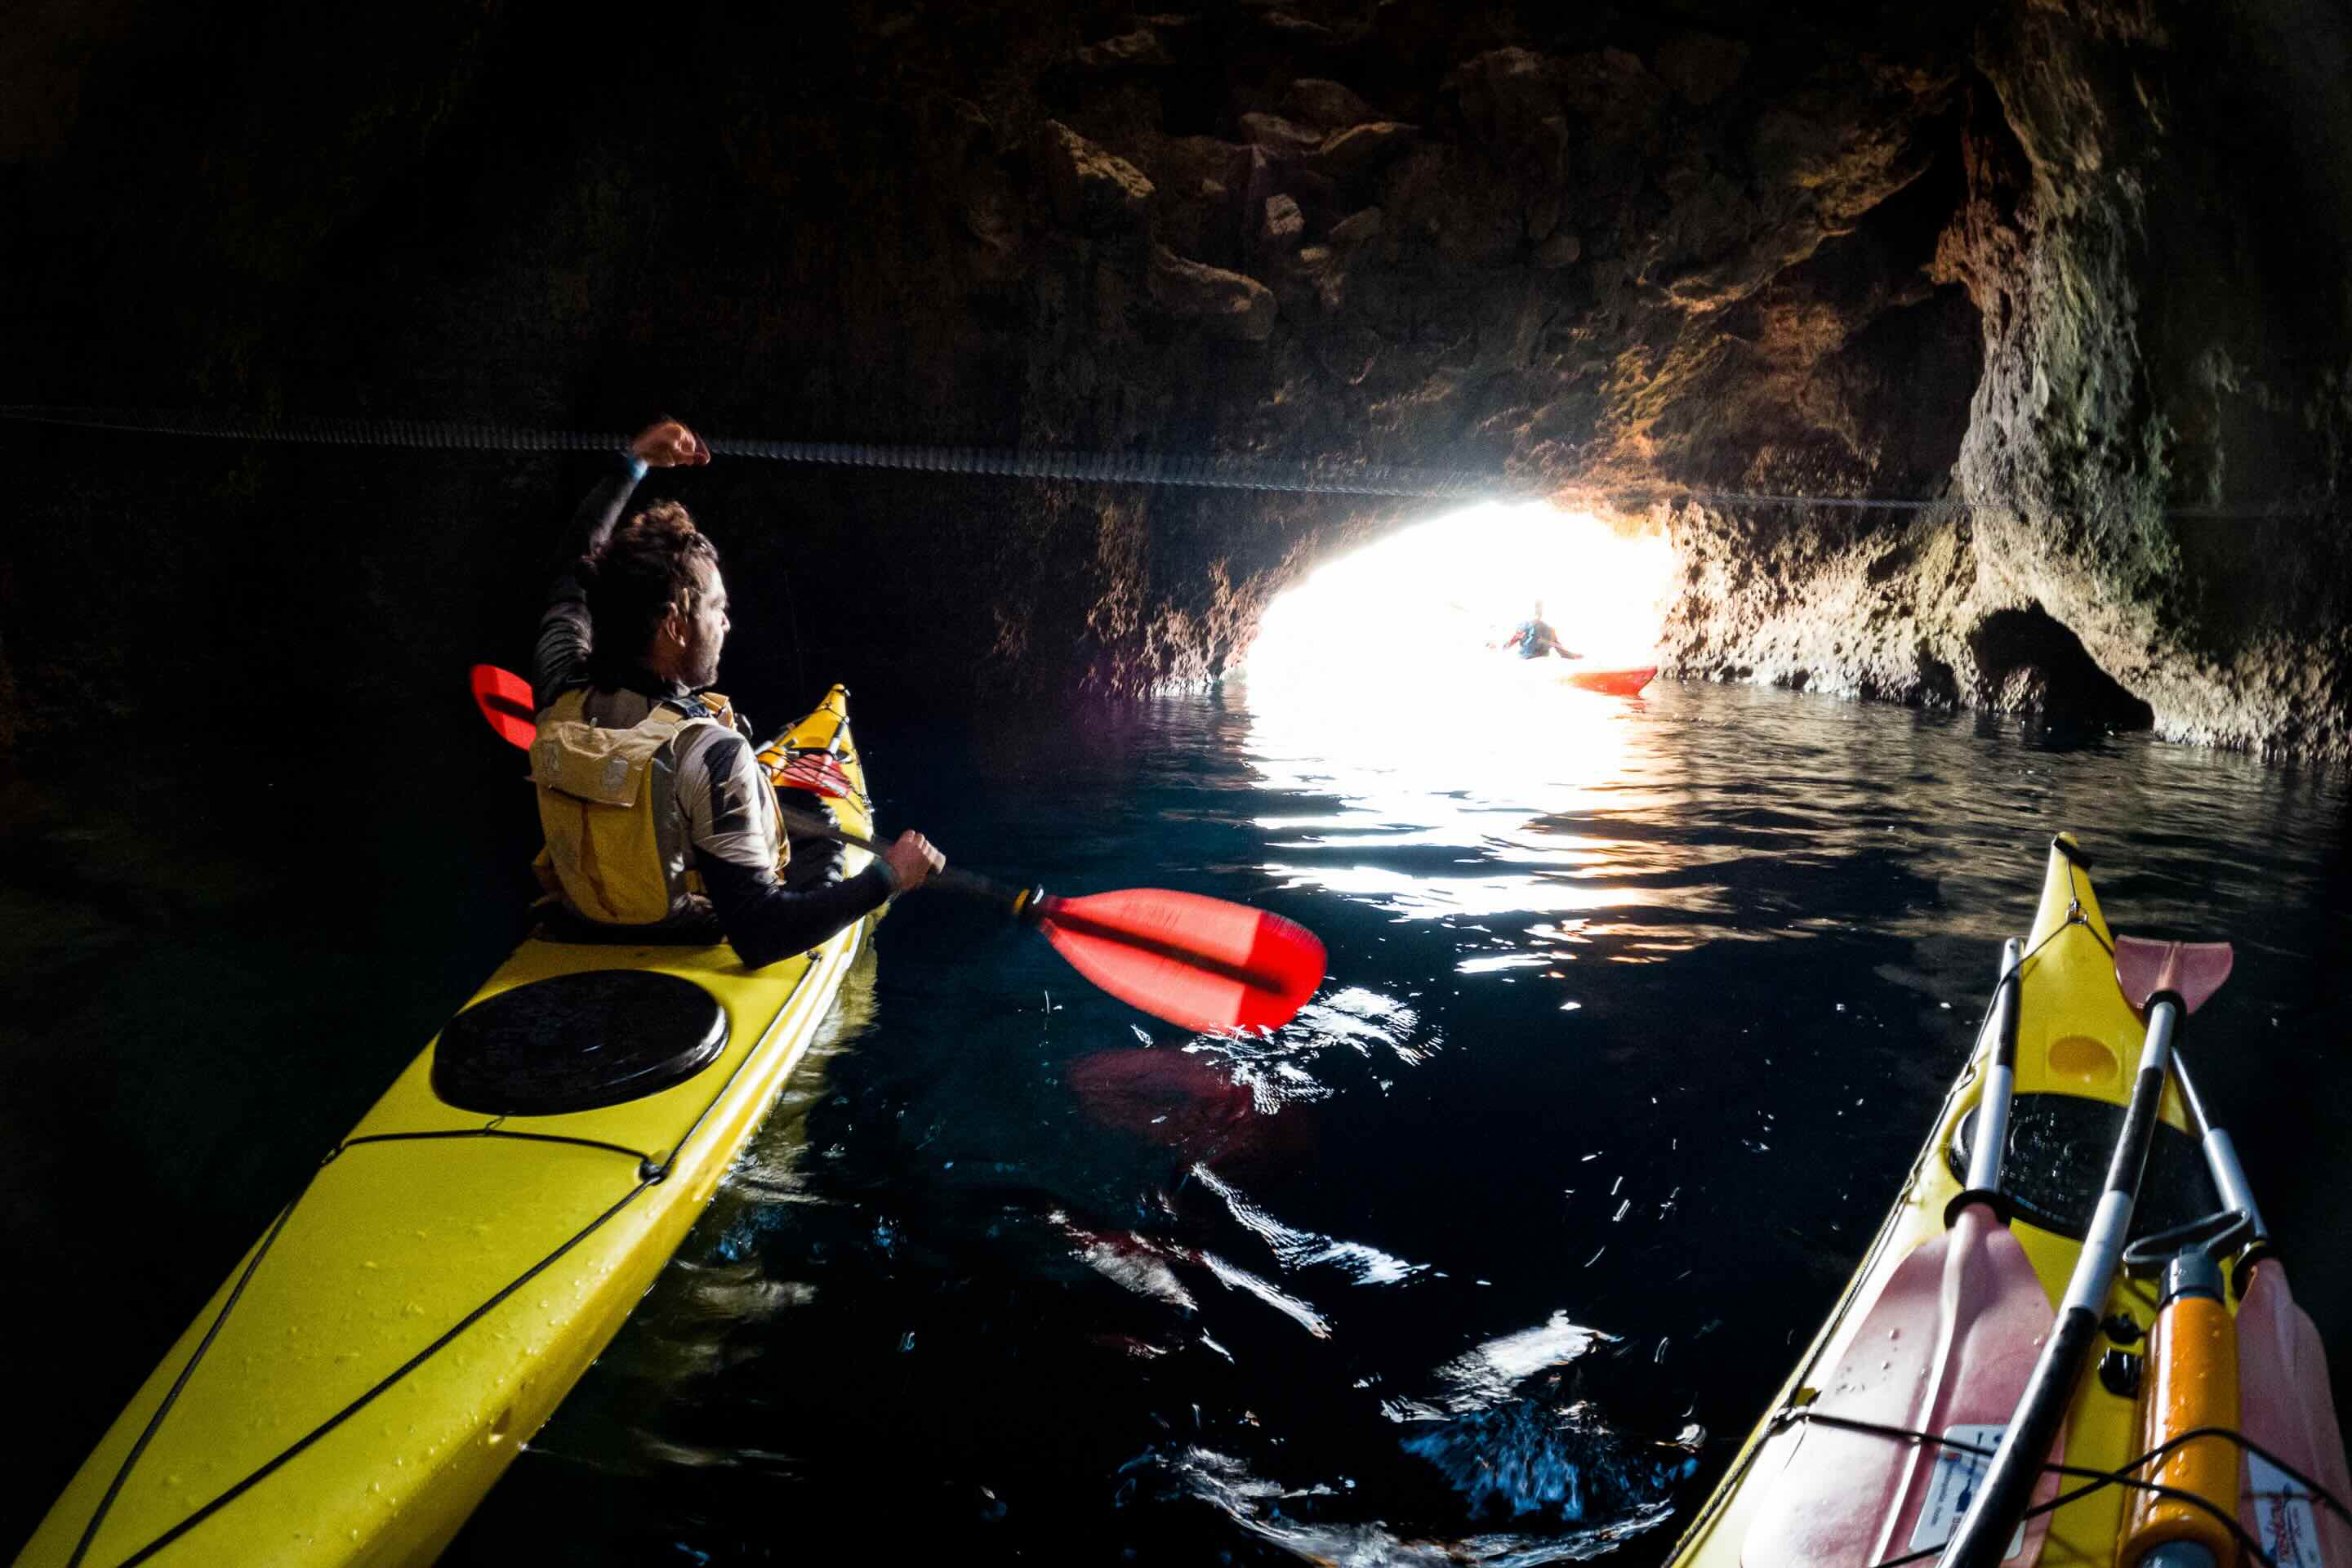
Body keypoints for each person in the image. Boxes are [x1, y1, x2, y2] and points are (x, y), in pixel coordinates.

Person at [528, 418, 944, 967]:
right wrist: (889, 877)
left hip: (581, 926)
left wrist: (633, 464)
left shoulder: (560, 687)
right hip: (689, 946)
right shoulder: (711, 753)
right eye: (716, 608)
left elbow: (572, 571)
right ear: (675, 625)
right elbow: (761, 935)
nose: (726, 623)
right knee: (822, 840)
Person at [1499, 601, 1578, 661]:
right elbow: (1512, 641)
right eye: (1537, 608)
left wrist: (1571, 655)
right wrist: (1501, 649)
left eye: (1539, 609)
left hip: (1538, 657)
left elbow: (1557, 646)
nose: (1538, 611)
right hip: (1528, 657)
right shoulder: (1526, 626)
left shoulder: (1548, 628)